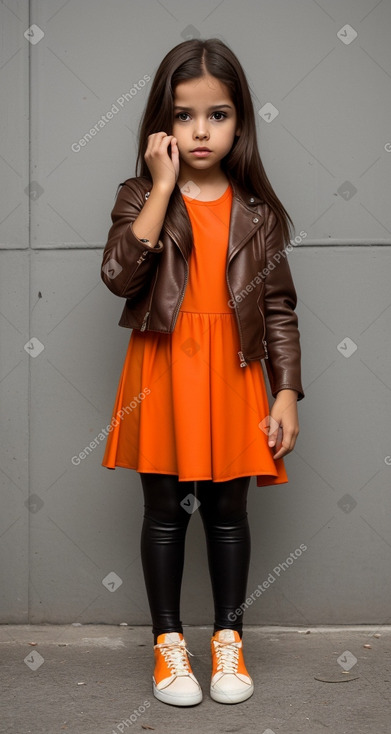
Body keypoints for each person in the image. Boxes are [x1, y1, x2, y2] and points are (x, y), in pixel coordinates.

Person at [100, 38, 304, 708]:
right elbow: (120, 275)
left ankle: (227, 638)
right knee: (164, 512)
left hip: (233, 372)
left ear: (239, 121)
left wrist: (285, 395)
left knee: (226, 512)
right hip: (162, 368)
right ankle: (167, 645)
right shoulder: (138, 194)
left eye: (216, 115)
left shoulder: (258, 212)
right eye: (185, 115)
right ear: (163, 121)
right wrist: (161, 188)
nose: (200, 130)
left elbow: (276, 309)